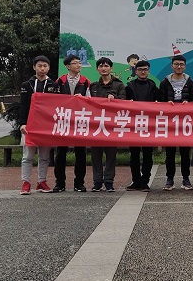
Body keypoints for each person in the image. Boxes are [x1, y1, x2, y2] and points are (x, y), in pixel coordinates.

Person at [18, 55, 58, 195]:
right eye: (39, 66)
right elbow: (23, 105)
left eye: (45, 66)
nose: (42, 68)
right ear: (34, 67)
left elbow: (57, 105)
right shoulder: (26, 85)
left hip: (46, 126)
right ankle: (26, 183)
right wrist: (22, 123)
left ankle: (42, 181)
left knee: (44, 156)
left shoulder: (53, 85)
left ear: (49, 68)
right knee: (27, 156)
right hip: (30, 125)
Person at [53, 54, 91, 192]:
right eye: (75, 63)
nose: (79, 65)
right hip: (64, 119)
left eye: (80, 63)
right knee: (60, 152)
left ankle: (79, 183)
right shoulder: (60, 81)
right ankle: (60, 183)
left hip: (80, 120)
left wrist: (83, 99)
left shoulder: (86, 81)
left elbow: (90, 99)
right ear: (68, 66)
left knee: (80, 152)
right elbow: (53, 99)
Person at [159, 55, 193, 191]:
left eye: (181, 64)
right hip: (170, 122)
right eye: (176, 64)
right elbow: (161, 100)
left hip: (184, 122)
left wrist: (188, 103)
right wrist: (167, 104)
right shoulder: (164, 82)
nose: (179, 66)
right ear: (172, 66)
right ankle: (169, 179)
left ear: (185, 66)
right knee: (169, 153)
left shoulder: (191, 82)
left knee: (185, 152)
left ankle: (186, 179)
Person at [89, 57, 126, 192]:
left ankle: (109, 181)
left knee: (111, 155)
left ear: (111, 68)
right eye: (101, 66)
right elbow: (87, 103)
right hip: (96, 125)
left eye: (106, 66)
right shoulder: (93, 86)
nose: (103, 68)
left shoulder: (119, 85)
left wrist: (115, 99)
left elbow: (123, 102)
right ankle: (97, 181)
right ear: (97, 69)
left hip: (112, 125)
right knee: (96, 155)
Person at [125, 59, 159, 192]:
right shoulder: (129, 86)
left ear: (148, 71)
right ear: (136, 71)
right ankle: (136, 181)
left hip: (148, 126)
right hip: (133, 125)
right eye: (140, 70)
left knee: (147, 155)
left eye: (145, 69)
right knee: (134, 155)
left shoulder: (154, 87)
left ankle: (145, 182)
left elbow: (161, 104)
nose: (143, 72)